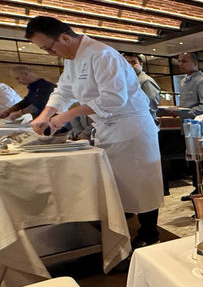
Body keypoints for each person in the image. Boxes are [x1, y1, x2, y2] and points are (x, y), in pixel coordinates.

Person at [26, 16, 163, 248]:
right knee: (117, 185)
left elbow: (114, 98)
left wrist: (67, 116)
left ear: (64, 37)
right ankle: (121, 232)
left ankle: (149, 235)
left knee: (141, 185)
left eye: (49, 48)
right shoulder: (72, 59)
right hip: (107, 129)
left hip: (131, 128)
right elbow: (64, 89)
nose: (50, 53)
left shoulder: (102, 55)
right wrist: (46, 114)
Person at [168, 52, 203, 134]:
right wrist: (179, 109)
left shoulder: (202, 81)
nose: (180, 64)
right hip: (187, 125)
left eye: (184, 61)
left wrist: (182, 112)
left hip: (201, 126)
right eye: (179, 61)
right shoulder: (183, 81)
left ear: (195, 63)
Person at [123, 53, 161, 125]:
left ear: (141, 65)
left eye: (133, 62)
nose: (130, 65)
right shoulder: (128, 81)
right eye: (126, 63)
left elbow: (152, 105)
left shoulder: (145, 80)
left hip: (144, 123)